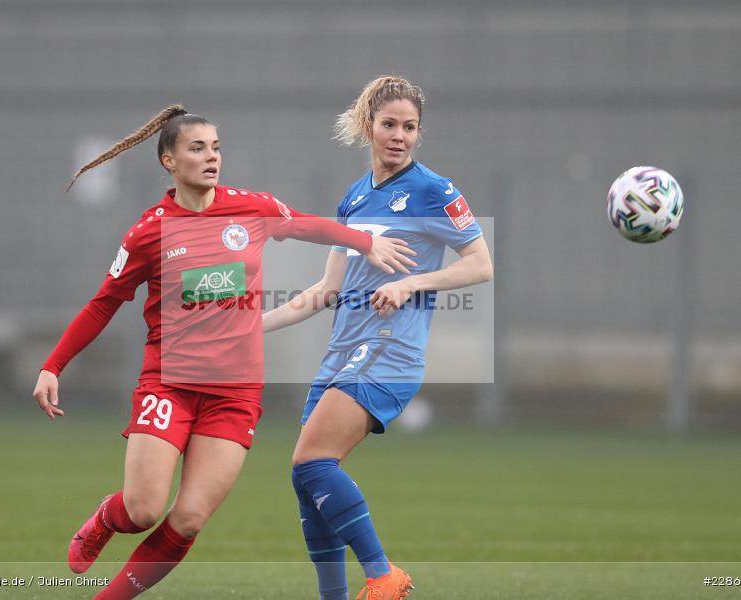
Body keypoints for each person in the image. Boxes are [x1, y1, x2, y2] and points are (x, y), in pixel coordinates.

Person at [32, 104, 416, 599]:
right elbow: (104, 304)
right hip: (169, 382)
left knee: (188, 519)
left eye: (216, 147)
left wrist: (365, 242)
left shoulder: (249, 208)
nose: (211, 157)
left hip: (234, 392)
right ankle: (107, 518)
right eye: (197, 148)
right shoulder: (150, 230)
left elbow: (308, 225)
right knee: (144, 508)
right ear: (169, 161)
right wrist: (52, 365)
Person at [262, 76, 494, 600]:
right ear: (369, 126)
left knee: (311, 462)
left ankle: (384, 574)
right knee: (307, 483)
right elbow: (325, 289)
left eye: (409, 127)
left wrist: (411, 282)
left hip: (391, 353)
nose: (400, 136)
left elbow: (481, 265)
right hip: (343, 355)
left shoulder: (435, 190)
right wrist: (251, 329)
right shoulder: (354, 196)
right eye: (389, 124)